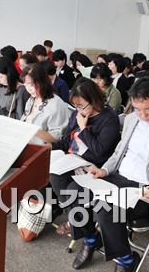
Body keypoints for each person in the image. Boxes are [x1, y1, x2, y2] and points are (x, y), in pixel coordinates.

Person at [64, 77, 149, 272]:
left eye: (147, 109)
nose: (142, 115)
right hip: (118, 177)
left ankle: (126, 259)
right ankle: (90, 239)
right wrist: (104, 170)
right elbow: (119, 153)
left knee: (104, 208)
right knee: (73, 191)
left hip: (148, 188)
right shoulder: (132, 118)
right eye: (137, 108)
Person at [50, 78, 121, 234]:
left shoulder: (109, 118)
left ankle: (82, 228)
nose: (78, 109)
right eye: (75, 105)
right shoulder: (77, 113)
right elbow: (68, 140)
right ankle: (76, 219)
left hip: (95, 166)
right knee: (55, 175)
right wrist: (49, 148)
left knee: (73, 189)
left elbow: (100, 150)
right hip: (72, 160)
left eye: (81, 105)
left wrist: (83, 128)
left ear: (94, 100)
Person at [21, 66, 70, 144]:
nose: (29, 89)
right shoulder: (31, 100)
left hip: (43, 149)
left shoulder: (56, 103)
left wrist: (33, 130)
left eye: (31, 84)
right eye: (26, 85)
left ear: (42, 82)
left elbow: (57, 138)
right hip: (26, 144)